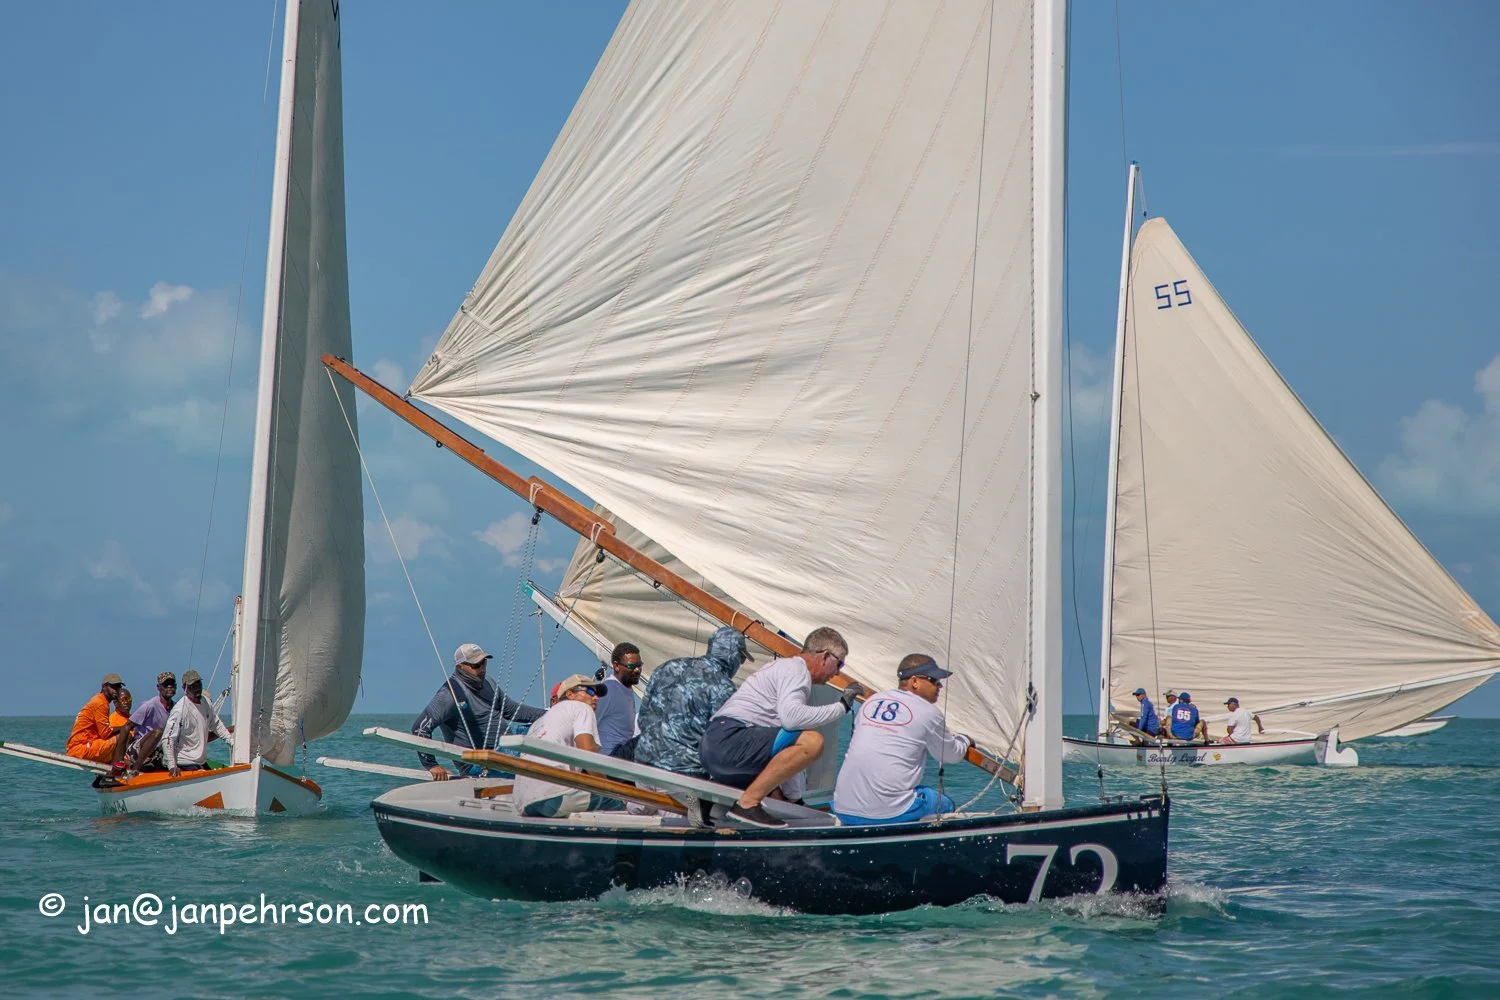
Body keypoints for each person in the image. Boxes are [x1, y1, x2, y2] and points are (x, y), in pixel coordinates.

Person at [701, 626, 864, 829]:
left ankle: (714, 804)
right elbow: (792, 720)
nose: (838, 673)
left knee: (792, 746)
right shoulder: (796, 669)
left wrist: (794, 800)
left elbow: (787, 745)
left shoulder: (782, 668)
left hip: (714, 750)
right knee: (812, 742)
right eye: (839, 664)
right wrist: (842, 706)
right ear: (824, 656)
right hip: (729, 742)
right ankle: (747, 804)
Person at [832, 654, 971, 825]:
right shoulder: (929, 713)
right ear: (914, 681)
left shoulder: (872, 701)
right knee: (944, 803)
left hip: (843, 808)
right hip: (888, 813)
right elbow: (951, 755)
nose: (940, 685)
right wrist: (965, 740)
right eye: (934, 680)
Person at [412, 643, 547, 780]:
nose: (482, 668)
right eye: (476, 665)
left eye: (484, 662)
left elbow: (512, 711)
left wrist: (551, 715)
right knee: (539, 755)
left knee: (549, 729)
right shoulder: (449, 695)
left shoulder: (489, 683)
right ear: (461, 667)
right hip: (481, 764)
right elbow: (419, 729)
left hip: (507, 747)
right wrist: (431, 765)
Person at [635, 626, 750, 779]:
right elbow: (723, 742)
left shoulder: (667, 667)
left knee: (646, 802)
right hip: (683, 777)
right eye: (742, 658)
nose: (741, 663)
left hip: (643, 765)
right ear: (733, 655)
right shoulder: (723, 687)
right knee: (692, 804)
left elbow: (643, 718)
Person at [510, 674, 620, 818]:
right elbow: (587, 756)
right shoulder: (581, 708)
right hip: (553, 797)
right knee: (617, 802)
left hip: (523, 803)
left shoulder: (539, 722)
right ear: (570, 694)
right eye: (590, 692)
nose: (596, 698)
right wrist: (612, 788)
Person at [162, 670, 233, 776]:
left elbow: (217, 725)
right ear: (184, 688)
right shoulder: (179, 710)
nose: (197, 688)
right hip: (184, 762)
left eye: (198, 684)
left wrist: (232, 742)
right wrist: (172, 766)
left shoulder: (206, 702)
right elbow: (167, 738)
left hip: (200, 762)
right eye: (192, 686)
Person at [66, 673, 131, 765]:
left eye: (118, 687)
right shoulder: (101, 703)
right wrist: (127, 726)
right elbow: (105, 733)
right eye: (113, 687)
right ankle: (117, 767)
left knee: (123, 734)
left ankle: (115, 764)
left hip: (80, 746)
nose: (116, 690)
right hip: (80, 749)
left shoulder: (99, 700)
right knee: (125, 735)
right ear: (104, 687)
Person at [594, 642, 643, 758]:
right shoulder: (608, 689)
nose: (637, 670)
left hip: (622, 752)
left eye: (639, 665)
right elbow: (588, 722)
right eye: (632, 666)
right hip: (610, 755)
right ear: (616, 666)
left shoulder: (626, 690)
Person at [127, 672, 176, 771]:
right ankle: (135, 769)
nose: (169, 687)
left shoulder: (176, 708)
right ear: (159, 687)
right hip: (139, 749)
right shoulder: (150, 705)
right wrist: (121, 758)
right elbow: (127, 727)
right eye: (166, 685)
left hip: (158, 752)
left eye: (172, 684)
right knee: (158, 732)